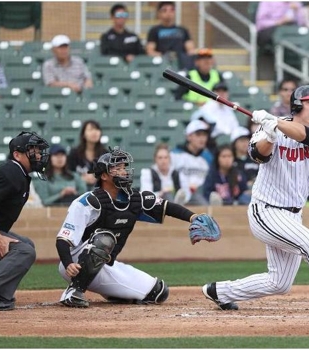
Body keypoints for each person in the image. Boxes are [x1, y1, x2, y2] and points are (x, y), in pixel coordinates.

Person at [201, 85, 309, 314]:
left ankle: (220, 292)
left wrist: (275, 122)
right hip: (265, 211)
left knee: (280, 283)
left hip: (293, 215)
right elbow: (258, 155)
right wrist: (270, 136)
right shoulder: (269, 127)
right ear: (297, 105)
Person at [56, 146, 222, 308]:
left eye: (124, 167)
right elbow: (63, 239)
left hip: (104, 264)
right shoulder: (87, 201)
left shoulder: (134, 199)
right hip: (75, 263)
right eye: (117, 168)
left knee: (158, 292)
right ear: (104, 175)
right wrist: (68, 263)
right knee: (104, 238)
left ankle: (114, 293)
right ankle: (74, 292)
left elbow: (166, 206)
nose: (124, 171)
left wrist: (194, 217)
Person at [0, 131, 49, 311]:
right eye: (32, 151)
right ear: (17, 154)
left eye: (38, 151)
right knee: (24, 251)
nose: (38, 155)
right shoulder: (11, 171)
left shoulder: (19, 174)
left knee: (26, 244)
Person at [170, 120, 213, 206]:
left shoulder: (208, 157)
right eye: (198, 135)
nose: (202, 139)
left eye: (204, 135)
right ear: (188, 136)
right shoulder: (175, 154)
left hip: (201, 195)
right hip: (178, 194)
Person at [145, 1, 196, 70]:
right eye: (165, 10)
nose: (168, 13)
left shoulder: (183, 30)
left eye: (172, 10)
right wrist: (163, 57)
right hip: (161, 65)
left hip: (181, 64)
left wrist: (183, 59)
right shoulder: (154, 31)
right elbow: (150, 51)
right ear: (159, 13)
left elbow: (191, 50)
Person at [67, 120, 108, 191]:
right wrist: (81, 178)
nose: (94, 132)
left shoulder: (105, 154)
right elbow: (68, 173)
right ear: (83, 134)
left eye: (97, 129)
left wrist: (97, 178)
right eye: (90, 129)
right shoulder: (74, 153)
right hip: (78, 191)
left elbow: (110, 175)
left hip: (100, 191)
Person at [231, 126, 259, 191]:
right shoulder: (231, 161)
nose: (245, 143)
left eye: (247, 140)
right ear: (234, 143)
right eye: (242, 140)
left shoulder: (255, 159)